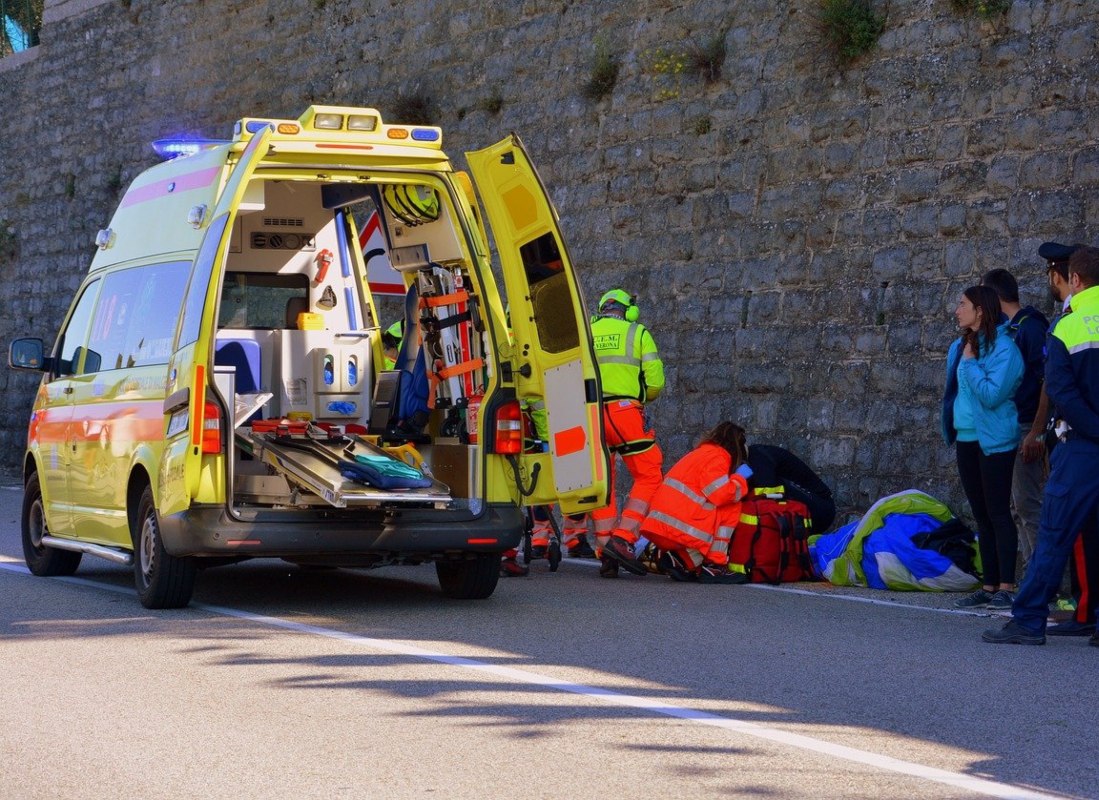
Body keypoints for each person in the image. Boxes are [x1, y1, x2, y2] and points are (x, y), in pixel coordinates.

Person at [983, 245, 1099, 646]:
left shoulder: (1068, 325)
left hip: (1082, 448)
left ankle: (1029, 619)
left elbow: (1062, 391)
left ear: (1076, 280)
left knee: (1053, 533)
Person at [941, 285, 1024, 611]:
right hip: (966, 438)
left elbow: (992, 395)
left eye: (963, 304)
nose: (957, 310)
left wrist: (972, 364)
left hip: (995, 441)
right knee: (981, 514)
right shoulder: (960, 346)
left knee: (999, 513)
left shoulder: (1005, 349)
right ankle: (988, 586)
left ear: (980, 311)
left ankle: (1006, 586)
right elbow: (953, 393)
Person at [587, 289, 666, 578]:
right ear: (628, 310)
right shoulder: (638, 332)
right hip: (625, 414)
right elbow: (655, 382)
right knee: (649, 474)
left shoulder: (587, 332)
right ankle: (623, 538)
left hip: (591, 415)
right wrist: (642, 396)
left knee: (602, 480)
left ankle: (605, 546)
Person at [980, 268, 1049, 576]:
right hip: (1007, 429)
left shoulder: (1031, 329)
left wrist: (1036, 432)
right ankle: (1031, 573)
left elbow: (1048, 382)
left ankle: (1042, 579)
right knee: (1013, 507)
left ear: (995, 298)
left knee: (1027, 504)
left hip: (1024, 427)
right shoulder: (1006, 331)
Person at [637, 421, 753, 583]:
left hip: (660, 528)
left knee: (715, 507)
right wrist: (739, 479)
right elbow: (721, 495)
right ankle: (714, 565)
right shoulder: (719, 457)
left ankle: (682, 560)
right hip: (676, 531)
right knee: (732, 504)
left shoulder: (700, 453)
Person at [746, 443, 836, 533]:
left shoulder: (758, 458)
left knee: (768, 493)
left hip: (821, 507)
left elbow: (767, 500)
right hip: (811, 507)